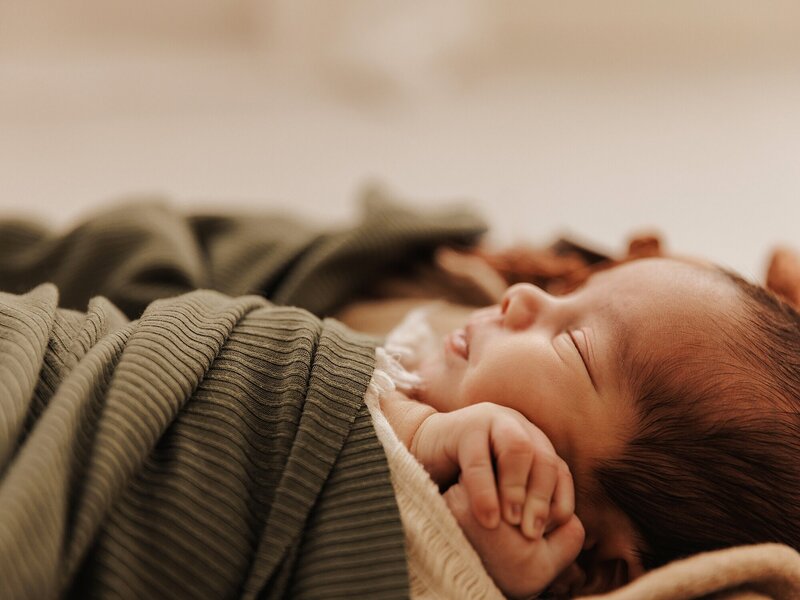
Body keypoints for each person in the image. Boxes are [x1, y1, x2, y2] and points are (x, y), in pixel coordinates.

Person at [374, 256, 800, 597]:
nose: (522, 296)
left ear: (595, 567)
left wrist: (414, 434)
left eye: (573, 343)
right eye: (568, 292)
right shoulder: (433, 311)